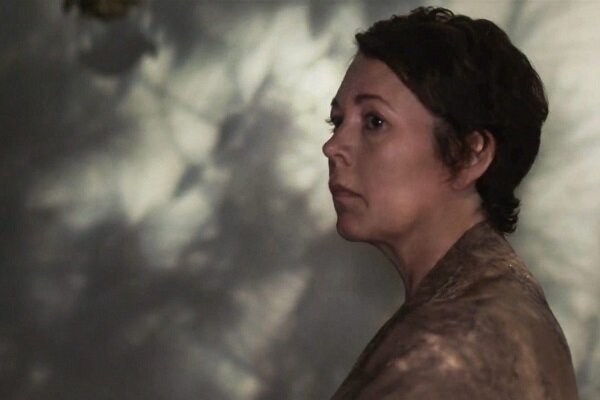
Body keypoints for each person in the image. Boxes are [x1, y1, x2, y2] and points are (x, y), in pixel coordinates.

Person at [322, 7, 579, 400]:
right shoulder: (479, 306)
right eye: (337, 121)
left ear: (469, 154)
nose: (333, 146)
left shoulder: (450, 352)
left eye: (374, 121)